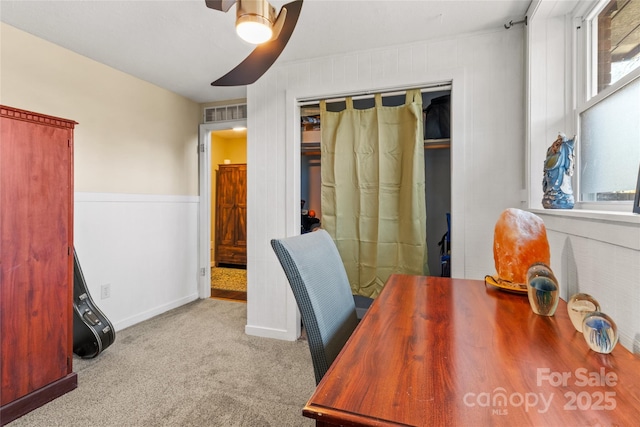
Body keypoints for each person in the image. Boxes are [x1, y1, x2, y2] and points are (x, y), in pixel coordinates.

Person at [543, 133, 576, 209]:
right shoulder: (551, 148)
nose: (559, 141)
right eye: (558, 139)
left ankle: (561, 198)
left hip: (560, 170)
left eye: (561, 139)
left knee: (563, 182)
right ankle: (551, 197)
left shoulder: (564, 146)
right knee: (551, 183)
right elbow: (549, 157)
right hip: (552, 170)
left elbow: (569, 149)